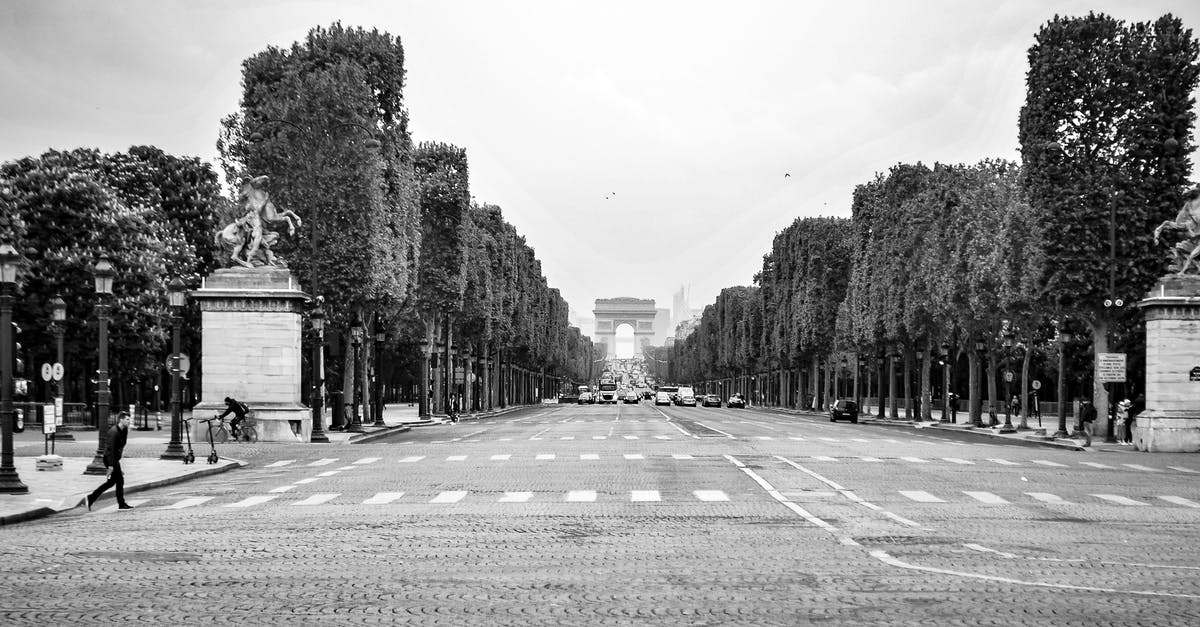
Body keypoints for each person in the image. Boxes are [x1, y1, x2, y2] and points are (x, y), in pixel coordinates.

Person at [86, 412, 133, 510]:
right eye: (127, 419)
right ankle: (121, 504)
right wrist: (111, 466)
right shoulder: (113, 432)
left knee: (112, 482)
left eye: (129, 419)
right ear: (121, 420)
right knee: (119, 481)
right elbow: (110, 450)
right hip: (109, 459)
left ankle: (92, 497)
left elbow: (122, 444)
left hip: (114, 459)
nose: (129, 421)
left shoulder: (124, 430)